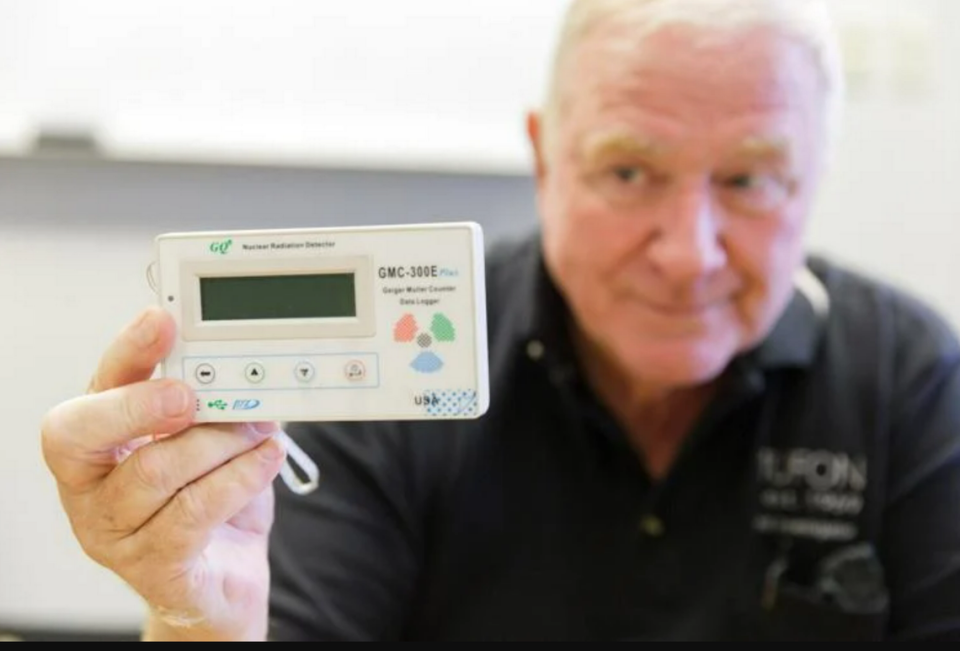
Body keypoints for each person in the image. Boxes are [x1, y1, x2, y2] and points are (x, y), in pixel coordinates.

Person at [40, 0, 960, 641]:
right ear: (544, 156)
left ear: (815, 179)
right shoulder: (395, 376)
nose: (689, 250)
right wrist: (206, 620)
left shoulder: (912, 384)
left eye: (749, 180)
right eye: (629, 171)